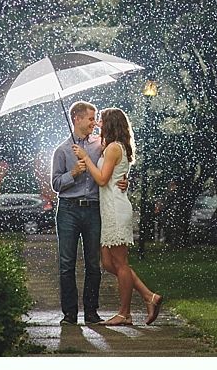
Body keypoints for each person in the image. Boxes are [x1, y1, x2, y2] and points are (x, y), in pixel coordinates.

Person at [73, 107, 164, 326]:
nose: (98, 124)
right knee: (107, 263)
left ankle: (125, 313)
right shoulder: (111, 146)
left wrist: (86, 158)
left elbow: (103, 180)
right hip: (109, 210)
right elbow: (114, 176)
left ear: (111, 123)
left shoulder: (114, 148)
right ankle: (148, 295)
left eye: (101, 121)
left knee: (121, 263)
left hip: (115, 209)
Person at [50, 101, 127, 326]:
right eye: (91, 119)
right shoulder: (62, 150)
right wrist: (72, 173)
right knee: (67, 263)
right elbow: (55, 184)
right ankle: (69, 314)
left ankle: (91, 312)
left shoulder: (100, 146)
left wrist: (124, 181)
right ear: (77, 118)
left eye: (95, 119)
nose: (95, 123)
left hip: (94, 209)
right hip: (68, 210)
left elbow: (113, 169)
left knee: (94, 264)